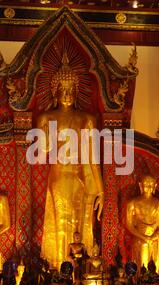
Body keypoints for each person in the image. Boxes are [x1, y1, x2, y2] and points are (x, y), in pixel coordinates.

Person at [37, 52, 104, 270]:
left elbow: (93, 159)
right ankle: (58, 268)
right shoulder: (47, 118)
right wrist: (44, 127)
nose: (67, 94)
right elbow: (43, 148)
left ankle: (80, 269)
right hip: (58, 177)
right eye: (62, 90)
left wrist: (101, 190)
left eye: (70, 89)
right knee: (60, 222)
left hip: (80, 178)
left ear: (76, 91)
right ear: (55, 92)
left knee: (81, 221)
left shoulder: (87, 119)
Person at [126, 175, 159, 272]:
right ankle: (139, 281)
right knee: (141, 266)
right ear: (140, 185)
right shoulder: (132, 204)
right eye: (146, 184)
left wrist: (153, 237)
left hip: (154, 240)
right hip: (139, 239)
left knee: (154, 268)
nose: (149, 187)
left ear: (155, 186)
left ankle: (154, 284)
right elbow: (129, 225)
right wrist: (143, 237)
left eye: (151, 184)